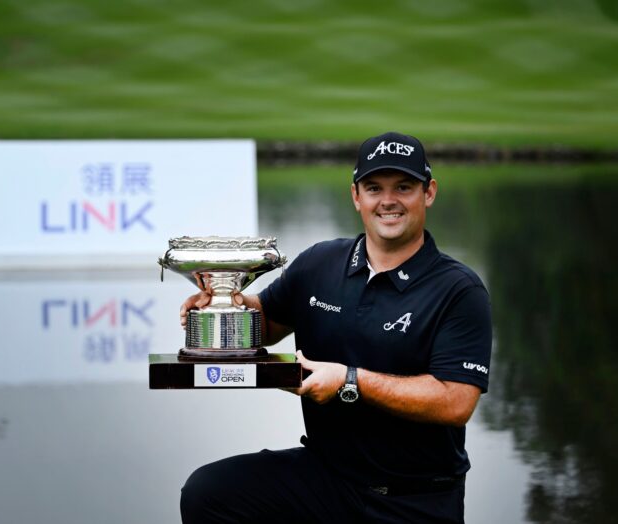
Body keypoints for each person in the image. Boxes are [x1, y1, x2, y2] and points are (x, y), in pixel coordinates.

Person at [178, 131, 492, 524]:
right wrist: (222, 311)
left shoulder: (459, 289)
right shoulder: (319, 264)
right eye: (374, 187)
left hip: (415, 499)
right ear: (356, 196)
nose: (388, 200)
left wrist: (350, 381)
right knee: (209, 494)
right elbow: (266, 324)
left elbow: (456, 401)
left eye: (404, 187)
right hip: (326, 479)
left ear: (428, 193)